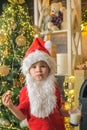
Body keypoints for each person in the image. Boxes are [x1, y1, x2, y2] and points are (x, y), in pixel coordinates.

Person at [2, 37, 70, 130]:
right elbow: (22, 117)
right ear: (29, 71)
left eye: (43, 66)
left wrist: (70, 113)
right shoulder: (26, 92)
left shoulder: (55, 89)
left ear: (49, 69)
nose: (38, 70)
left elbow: (59, 110)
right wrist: (11, 106)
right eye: (34, 67)